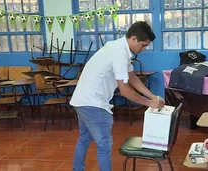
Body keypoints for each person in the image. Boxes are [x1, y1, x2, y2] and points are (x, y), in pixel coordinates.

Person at [70, 21, 165, 171]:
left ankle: (77, 169)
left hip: (81, 101)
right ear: (133, 39)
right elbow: (125, 91)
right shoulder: (119, 53)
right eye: (143, 45)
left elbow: (132, 78)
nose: (144, 49)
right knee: (104, 145)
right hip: (93, 104)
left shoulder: (118, 48)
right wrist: (149, 103)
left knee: (84, 139)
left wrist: (153, 96)